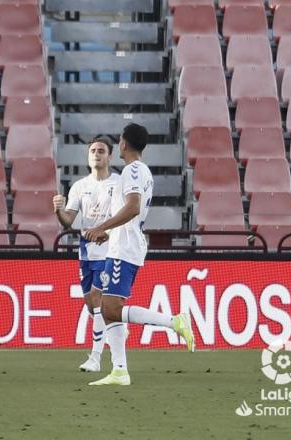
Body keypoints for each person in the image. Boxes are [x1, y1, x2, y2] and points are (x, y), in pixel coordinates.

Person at [83, 123, 195, 387]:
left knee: (110, 308)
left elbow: (133, 208)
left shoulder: (133, 170)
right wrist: (108, 233)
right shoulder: (140, 171)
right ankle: (119, 370)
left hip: (125, 247)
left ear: (123, 144)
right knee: (109, 310)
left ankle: (175, 321)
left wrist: (101, 227)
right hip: (120, 243)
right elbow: (131, 212)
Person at [53, 137, 126, 373]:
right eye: (93, 150)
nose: (96, 154)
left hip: (110, 248)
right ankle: (117, 328)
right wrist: (58, 209)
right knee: (91, 306)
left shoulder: (118, 183)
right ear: (88, 156)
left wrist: (108, 231)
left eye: (101, 151)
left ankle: (95, 358)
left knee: (97, 299)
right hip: (86, 250)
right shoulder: (80, 186)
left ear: (110, 157)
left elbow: (125, 215)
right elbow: (68, 221)